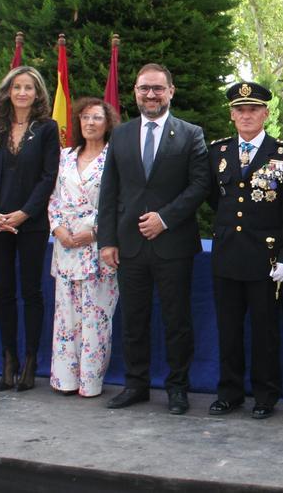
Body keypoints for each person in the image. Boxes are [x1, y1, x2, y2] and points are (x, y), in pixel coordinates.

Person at [99, 63, 210, 415]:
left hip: (173, 245)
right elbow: (110, 189)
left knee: (177, 321)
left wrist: (165, 218)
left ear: (171, 91)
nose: (151, 94)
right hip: (129, 247)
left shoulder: (191, 134)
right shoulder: (121, 134)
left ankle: (177, 388)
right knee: (133, 319)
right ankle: (136, 385)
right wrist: (107, 240)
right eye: (145, 88)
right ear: (135, 91)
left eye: (158, 88)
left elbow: (199, 186)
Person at [206, 82, 283, 419]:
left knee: (264, 332)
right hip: (227, 255)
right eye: (239, 110)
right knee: (228, 330)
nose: (246, 115)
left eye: (253, 110)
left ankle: (266, 395)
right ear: (232, 115)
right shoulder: (217, 152)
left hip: (267, 259)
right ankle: (229, 392)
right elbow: (212, 199)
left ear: (266, 113)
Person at [0, 65, 60, 391]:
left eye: (29, 87)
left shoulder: (47, 128)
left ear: (38, 93)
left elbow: (48, 176)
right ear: (8, 92)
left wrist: (25, 213)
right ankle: (9, 357)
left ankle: (30, 360)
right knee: (3, 292)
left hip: (31, 224)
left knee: (31, 292)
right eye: (17, 88)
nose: (23, 93)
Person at [47, 97, 120, 398]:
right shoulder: (64, 156)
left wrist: (95, 232)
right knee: (66, 317)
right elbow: (53, 198)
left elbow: (121, 202)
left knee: (96, 317)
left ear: (107, 123)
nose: (90, 123)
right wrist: (59, 230)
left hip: (99, 248)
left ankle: (90, 382)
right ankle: (64, 379)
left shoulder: (114, 158)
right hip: (65, 247)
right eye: (85, 117)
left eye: (97, 118)